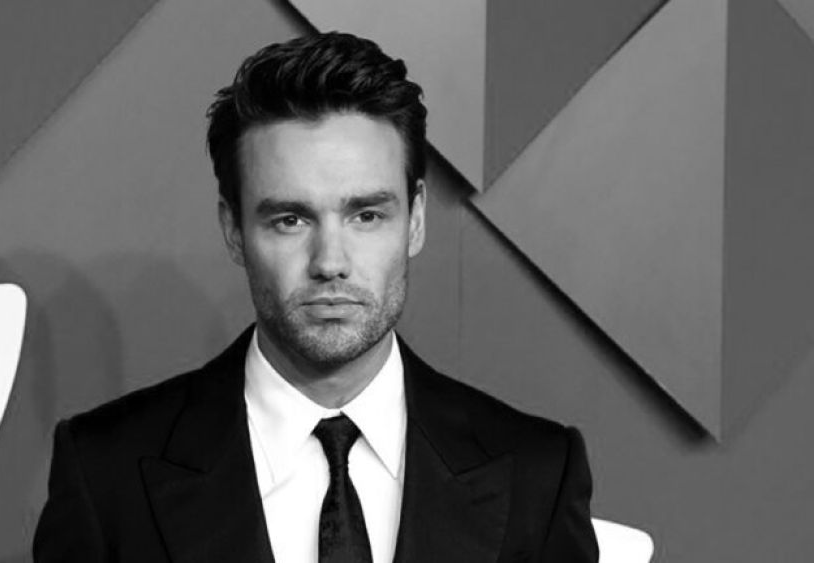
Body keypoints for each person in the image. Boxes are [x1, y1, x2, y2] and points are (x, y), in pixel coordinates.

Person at [33, 32, 597, 563]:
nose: (330, 261)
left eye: (366, 215)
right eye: (290, 219)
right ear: (233, 230)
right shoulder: (106, 475)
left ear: (416, 219)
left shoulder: (538, 475)